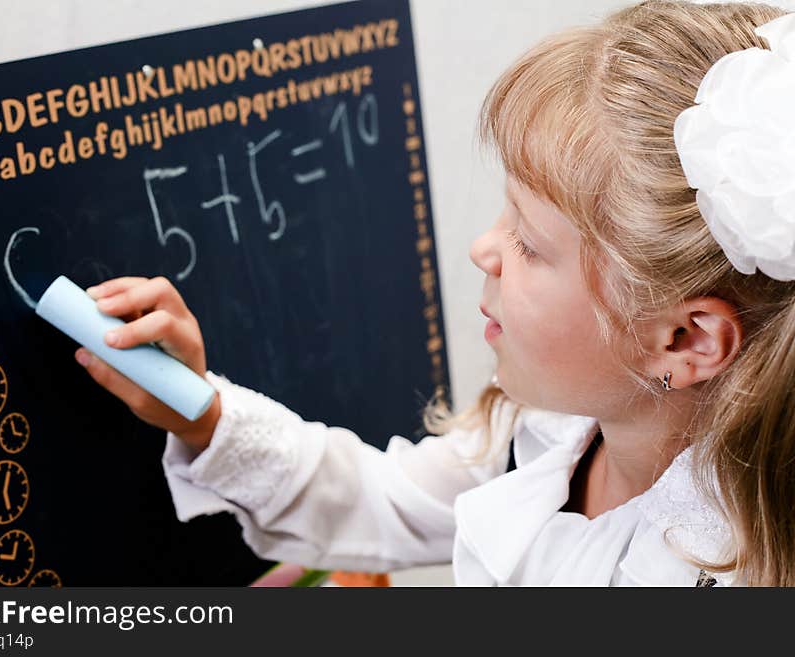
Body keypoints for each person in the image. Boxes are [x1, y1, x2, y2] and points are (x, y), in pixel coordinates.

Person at [73, 0, 795, 586]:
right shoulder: (541, 439)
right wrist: (202, 411)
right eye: (504, 213)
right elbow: (378, 497)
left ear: (688, 339)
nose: (484, 248)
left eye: (530, 244)